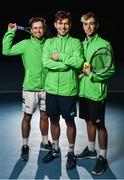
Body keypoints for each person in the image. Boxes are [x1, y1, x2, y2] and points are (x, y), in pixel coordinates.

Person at [2, 17, 52, 161]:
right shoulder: (25, 44)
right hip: (30, 88)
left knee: (44, 116)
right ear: (31, 30)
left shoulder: (49, 44)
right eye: (35, 28)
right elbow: (6, 50)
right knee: (27, 118)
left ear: (44, 28)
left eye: (40, 27)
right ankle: (25, 145)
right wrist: (10, 32)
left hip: (47, 88)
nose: (38, 30)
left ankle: (44, 142)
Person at [41, 10, 83, 170]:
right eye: (60, 23)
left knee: (70, 122)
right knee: (53, 120)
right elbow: (46, 63)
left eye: (66, 23)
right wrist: (66, 64)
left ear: (70, 25)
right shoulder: (48, 43)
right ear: (55, 24)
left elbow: (78, 63)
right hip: (51, 90)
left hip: (69, 90)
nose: (63, 26)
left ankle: (71, 153)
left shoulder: (76, 42)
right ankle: (55, 149)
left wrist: (60, 57)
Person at [76, 12, 115, 175]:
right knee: (88, 121)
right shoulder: (82, 44)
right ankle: (91, 151)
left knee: (99, 125)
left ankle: (102, 158)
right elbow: (82, 66)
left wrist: (91, 74)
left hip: (97, 93)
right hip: (84, 91)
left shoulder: (105, 44)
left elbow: (110, 70)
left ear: (96, 25)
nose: (88, 27)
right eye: (85, 24)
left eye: (91, 23)